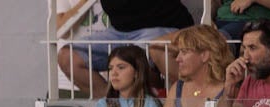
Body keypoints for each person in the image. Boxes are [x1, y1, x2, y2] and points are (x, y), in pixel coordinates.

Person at [56, 0, 191, 97]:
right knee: (68, 57)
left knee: (136, 61)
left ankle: (185, 106)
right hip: (119, 31)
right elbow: (59, 27)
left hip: (160, 26)